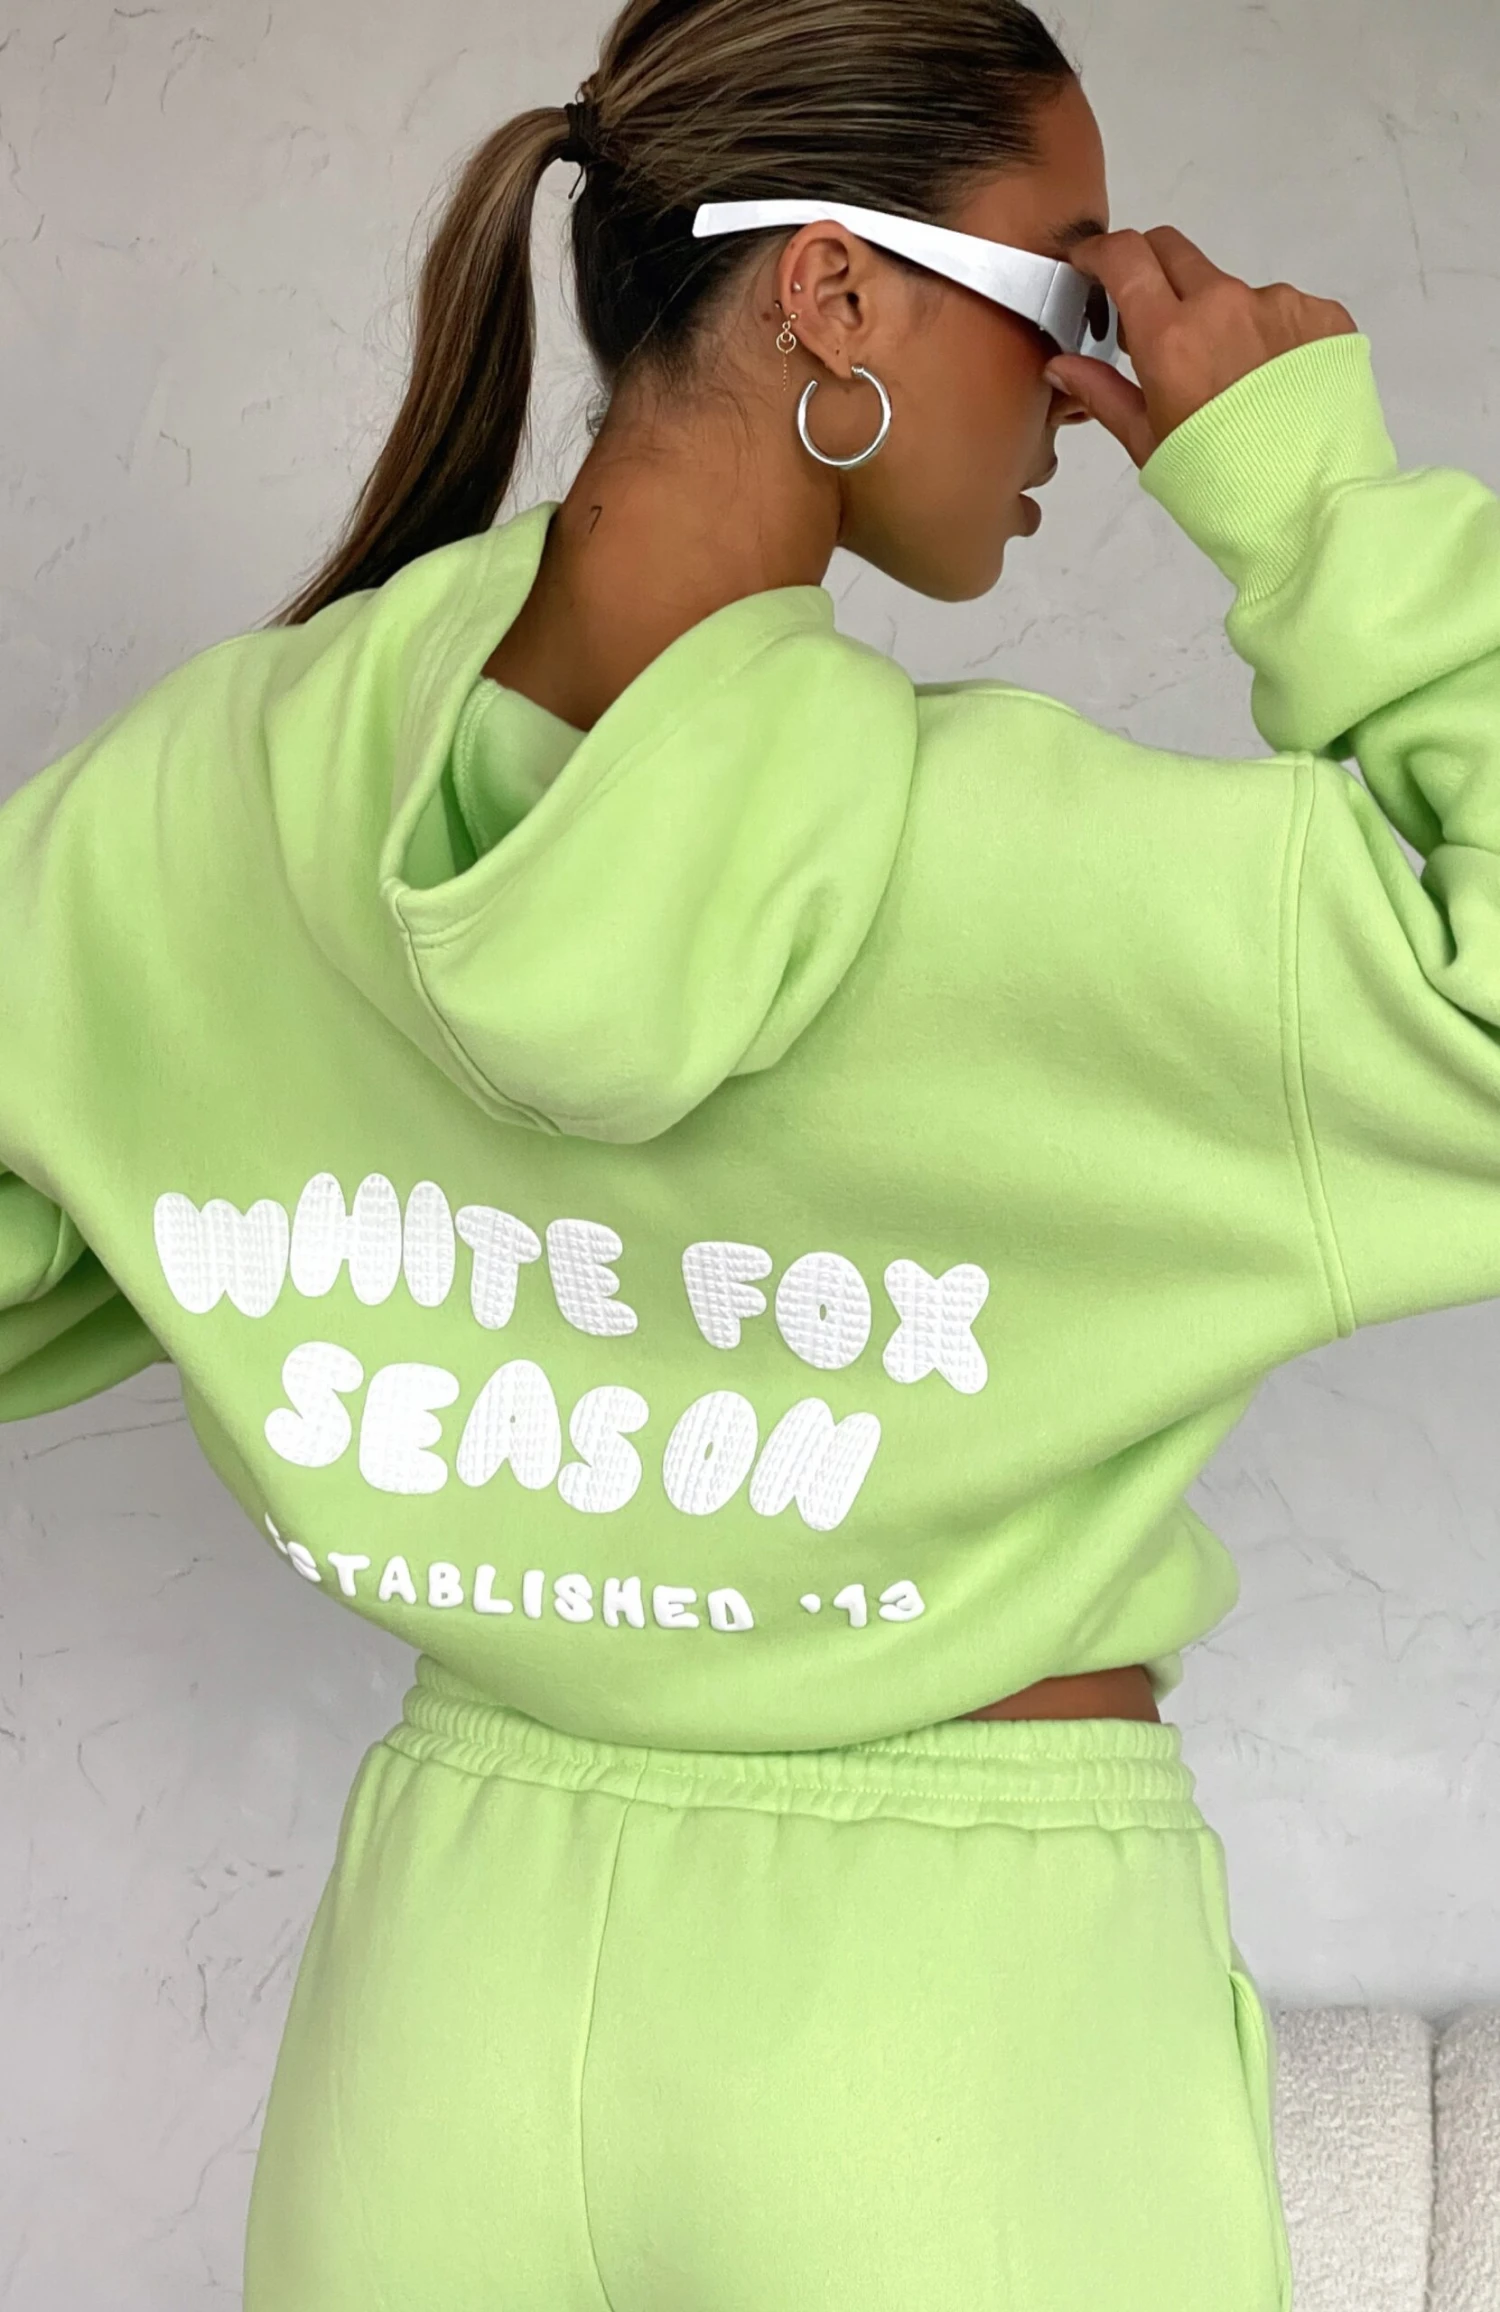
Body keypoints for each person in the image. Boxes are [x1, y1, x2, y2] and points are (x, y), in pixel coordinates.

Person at [4, 0, 1492, 2299]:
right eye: (1066, 281)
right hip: (954, 2033)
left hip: (443, 2013)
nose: (1085, 380)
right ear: (836, 293)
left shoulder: (215, 810)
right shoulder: (1050, 881)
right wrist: (1310, 493)